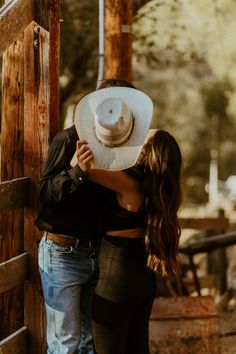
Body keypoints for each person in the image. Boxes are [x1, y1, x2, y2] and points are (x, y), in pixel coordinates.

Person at [73, 85, 182, 354]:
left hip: (116, 284)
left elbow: (88, 167)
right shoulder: (164, 193)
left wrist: (101, 132)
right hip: (143, 280)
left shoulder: (130, 185)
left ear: (147, 154)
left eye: (143, 141)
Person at [35, 79, 138, 353]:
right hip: (61, 251)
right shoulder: (68, 139)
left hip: (96, 254)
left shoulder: (124, 151)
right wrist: (77, 171)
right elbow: (44, 193)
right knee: (66, 344)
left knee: (89, 343)